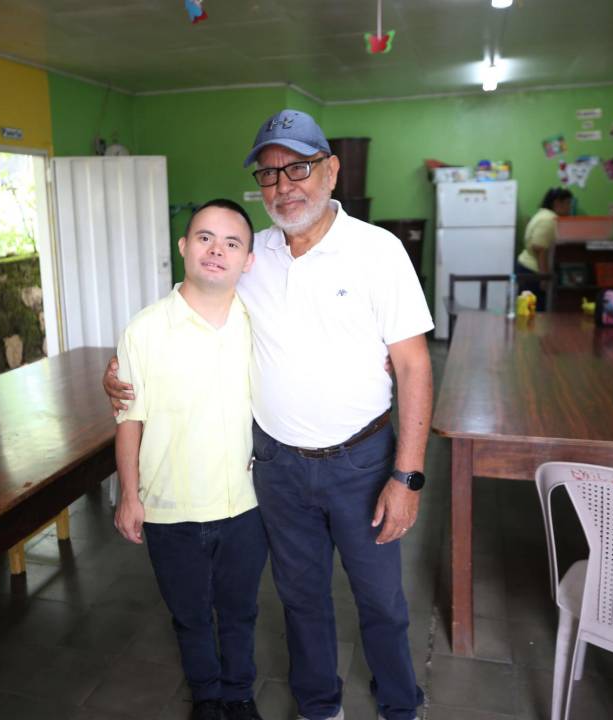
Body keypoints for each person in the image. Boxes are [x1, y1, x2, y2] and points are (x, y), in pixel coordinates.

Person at [107, 109, 434, 720]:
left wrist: (406, 475)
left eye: (299, 168)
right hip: (278, 467)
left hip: (362, 462)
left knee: (381, 601)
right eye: (269, 175)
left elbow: (414, 366)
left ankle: (399, 706)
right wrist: (119, 368)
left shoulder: (377, 251)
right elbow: (185, 313)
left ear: (331, 172)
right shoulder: (252, 254)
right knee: (301, 600)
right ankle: (319, 708)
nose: (284, 186)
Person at [113, 199, 268, 720]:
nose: (216, 251)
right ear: (183, 247)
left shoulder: (263, 324)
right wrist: (129, 496)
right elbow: (128, 419)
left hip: (246, 505)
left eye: (231, 242)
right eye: (204, 238)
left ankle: (240, 693)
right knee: (190, 615)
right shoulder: (145, 330)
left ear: (248, 260)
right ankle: (207, 695)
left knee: (241, 611)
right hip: (169, 508)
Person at [516, 187, 573, 309]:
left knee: (528, 313)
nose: (569, 207)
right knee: (535, 314)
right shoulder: (549, 219)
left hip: (527, 268)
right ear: (557, 203)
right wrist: (544, 277)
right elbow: (539, 248)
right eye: (568, 203)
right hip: (532, 271)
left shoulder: (543, 214)